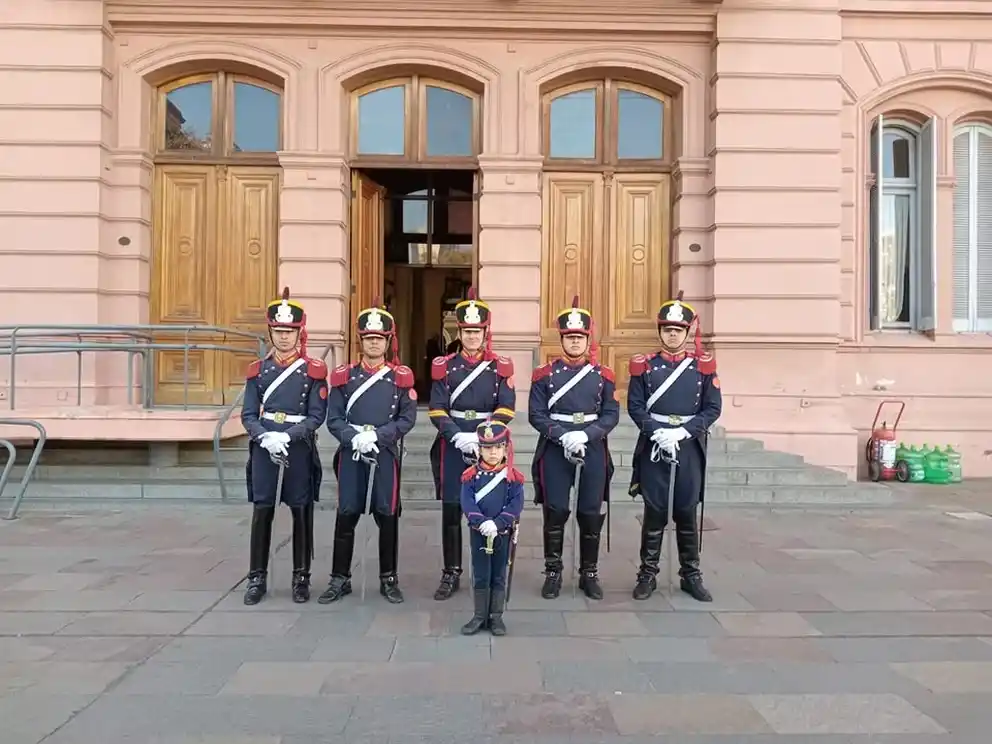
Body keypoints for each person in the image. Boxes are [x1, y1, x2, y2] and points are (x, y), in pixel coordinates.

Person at [318, 298, 417, 605]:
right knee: (346, 514)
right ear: (360, 341)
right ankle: (340, 577)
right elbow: (333, 419)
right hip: (353, 454)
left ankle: (389, 578)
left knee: (387, 516)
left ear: (388, 341)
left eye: (379, 338)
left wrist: (380, 435)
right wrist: (353, 438)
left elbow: (407, 417)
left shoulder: (400, 377)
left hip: (384, 454)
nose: (374, 343)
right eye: (368, 338)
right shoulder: (344, 377)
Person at [627, 293, 722, 602]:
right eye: (667, 329)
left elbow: (712, 408)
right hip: (655, 445)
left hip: (688, 446)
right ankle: (647, 574)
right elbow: (635, 406)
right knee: (654, 511)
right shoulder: (644, 366)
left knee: (686, 511)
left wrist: (683, 432)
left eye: (678, 329)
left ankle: (691, 574)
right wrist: (657, 431)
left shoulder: (703, 367)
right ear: (660, 332)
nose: (672, 334)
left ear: (686, 332)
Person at [241, 287, 328, 605]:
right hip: (265, 448)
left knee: (301, 511)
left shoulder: (313, 371)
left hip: (298, 448)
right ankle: (256, 577)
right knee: (262, 511)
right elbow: (248, 414)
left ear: (299, 333)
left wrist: (288, 436)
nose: (284, 337)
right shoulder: (258, 371)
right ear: (270, 332)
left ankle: (301, 577)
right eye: (278, 331)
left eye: (290, 332)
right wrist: (264, 436)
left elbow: (317, 415)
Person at [428, 288, 515, 601]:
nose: (472, 336)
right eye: (467, 331)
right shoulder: (445, 367)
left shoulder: (499, 368)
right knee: (452, 510)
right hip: (454, 447)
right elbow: (436, 408)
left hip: (488, 448)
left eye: (477, 331)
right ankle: (451, 571)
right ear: (459, 332)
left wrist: (482, 437)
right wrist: (457, 436)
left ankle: (488, 570)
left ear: (485, 332)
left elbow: (507, 407)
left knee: (489, 511)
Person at [529, 296, 619, 600]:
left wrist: (589, 434)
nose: (575, 342)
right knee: (556, 510)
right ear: (562, 339)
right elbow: (536, 414)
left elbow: (611, 413)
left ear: (588, 339)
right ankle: (553, 571)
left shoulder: (603, 375)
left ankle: (588, 573)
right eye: (570, 337)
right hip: (556, 447)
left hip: (591, 446)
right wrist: (562, 435)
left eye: (580, 337)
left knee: (590, 511)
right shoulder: (544, 374)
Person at [459, 421, 524, 636]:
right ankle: (479, 616)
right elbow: (467, 502)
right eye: (487, 448)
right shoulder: (470, 476)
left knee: (498, 575)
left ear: (506, 448)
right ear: (479, 450)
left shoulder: (513, 477)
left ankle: (496, 617)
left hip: (502, 533)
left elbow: (516, 504)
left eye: (498, 447)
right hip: (479, 533)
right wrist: (480, 522)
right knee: (481, 575)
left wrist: (497, 523)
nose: (493, 452)